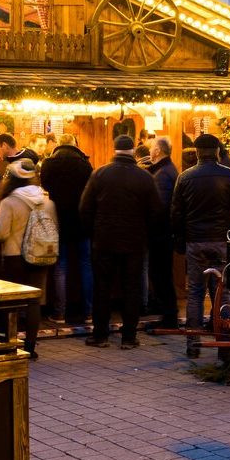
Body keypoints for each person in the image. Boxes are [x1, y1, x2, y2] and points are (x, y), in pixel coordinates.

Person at [171, 133, 230, 358]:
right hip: (221, 241)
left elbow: (176, 213)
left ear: (197, 153)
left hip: (196, 242)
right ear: (217, 151)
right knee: (223, 293)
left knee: (195, 292)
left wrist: (179, 240)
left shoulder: (185, 178)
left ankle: (193, 345)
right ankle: (224, 346)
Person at [79, 134, 162, 349]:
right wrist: (146, 235)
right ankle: (129, 337)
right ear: (133, 151)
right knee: (131, 288)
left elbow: (85, 209)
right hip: (134, 242)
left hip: (104, 241)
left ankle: (100, 335)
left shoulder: (100, 174)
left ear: (114, 150)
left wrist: (93, 233)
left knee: (102, 288)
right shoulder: (145, 178)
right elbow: (156, 212)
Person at [0, 159, 58, 360]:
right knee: (34, 303)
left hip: (14, 257)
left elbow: (1, 233)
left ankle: (10, 344)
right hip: (40, 256)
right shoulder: (47, 202)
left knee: (11, 302)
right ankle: (30, 347)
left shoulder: (9, 202)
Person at [40, 133, 93, 325]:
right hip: (81, 221)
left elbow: (44, 185)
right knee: (86, 266)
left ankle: (60, 313)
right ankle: (88, 313)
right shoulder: (85, 165)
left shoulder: (49, 164)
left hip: (59, 219)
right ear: (74, 145)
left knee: (60, 267)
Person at [148, 135, 179, 328]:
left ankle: (169, 317)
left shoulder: (163, 175)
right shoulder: (166, 170)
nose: (149, 151)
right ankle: (167, 314)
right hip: (163, 234)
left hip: (160, 235)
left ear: (158, 151)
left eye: (151, 148)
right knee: (161, 275)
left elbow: (159, 207)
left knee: (161, 275)